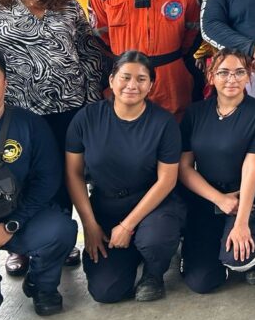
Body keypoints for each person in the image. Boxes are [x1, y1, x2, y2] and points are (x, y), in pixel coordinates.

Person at [0, 0, 108, 272]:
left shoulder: (65, 5)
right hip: (20, 112)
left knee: (66, 174)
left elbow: (89, 52)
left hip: (70, 107)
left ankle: (60, 238)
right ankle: (18, 244)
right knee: (21, 175)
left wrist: (92, 100)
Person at [65, 51, 186, 302]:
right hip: (106, 206)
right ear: (111, 80)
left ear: (151, 85)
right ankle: (132, 253)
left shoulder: (163, 123)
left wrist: (128, 225)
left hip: (153, 204)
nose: (132, 85)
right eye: (125, 77)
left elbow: (167, 180)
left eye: (141, 79)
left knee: (154, 239)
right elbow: (74, 174)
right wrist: (90, 224)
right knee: (106, 292)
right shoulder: (87, 118)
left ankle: (154, 273)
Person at [0, 49, 78, 320]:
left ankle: (42, 284)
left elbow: (47, 180)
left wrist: (11, 224)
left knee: (60, 231)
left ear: (5, 83)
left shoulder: (29, 124)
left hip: (18, 217)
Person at [179, 50, 255, 291]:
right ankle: (208, 250)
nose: (231, 79)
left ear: (249, 77)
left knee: (238, 258)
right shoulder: (195, 113)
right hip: (208, 198)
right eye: (223, 73)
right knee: (201, 282)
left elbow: (252, 168)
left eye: (239, 73)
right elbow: (184, 168)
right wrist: (219, 199)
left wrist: (241, 222)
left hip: (248, 199)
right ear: (211, 76)